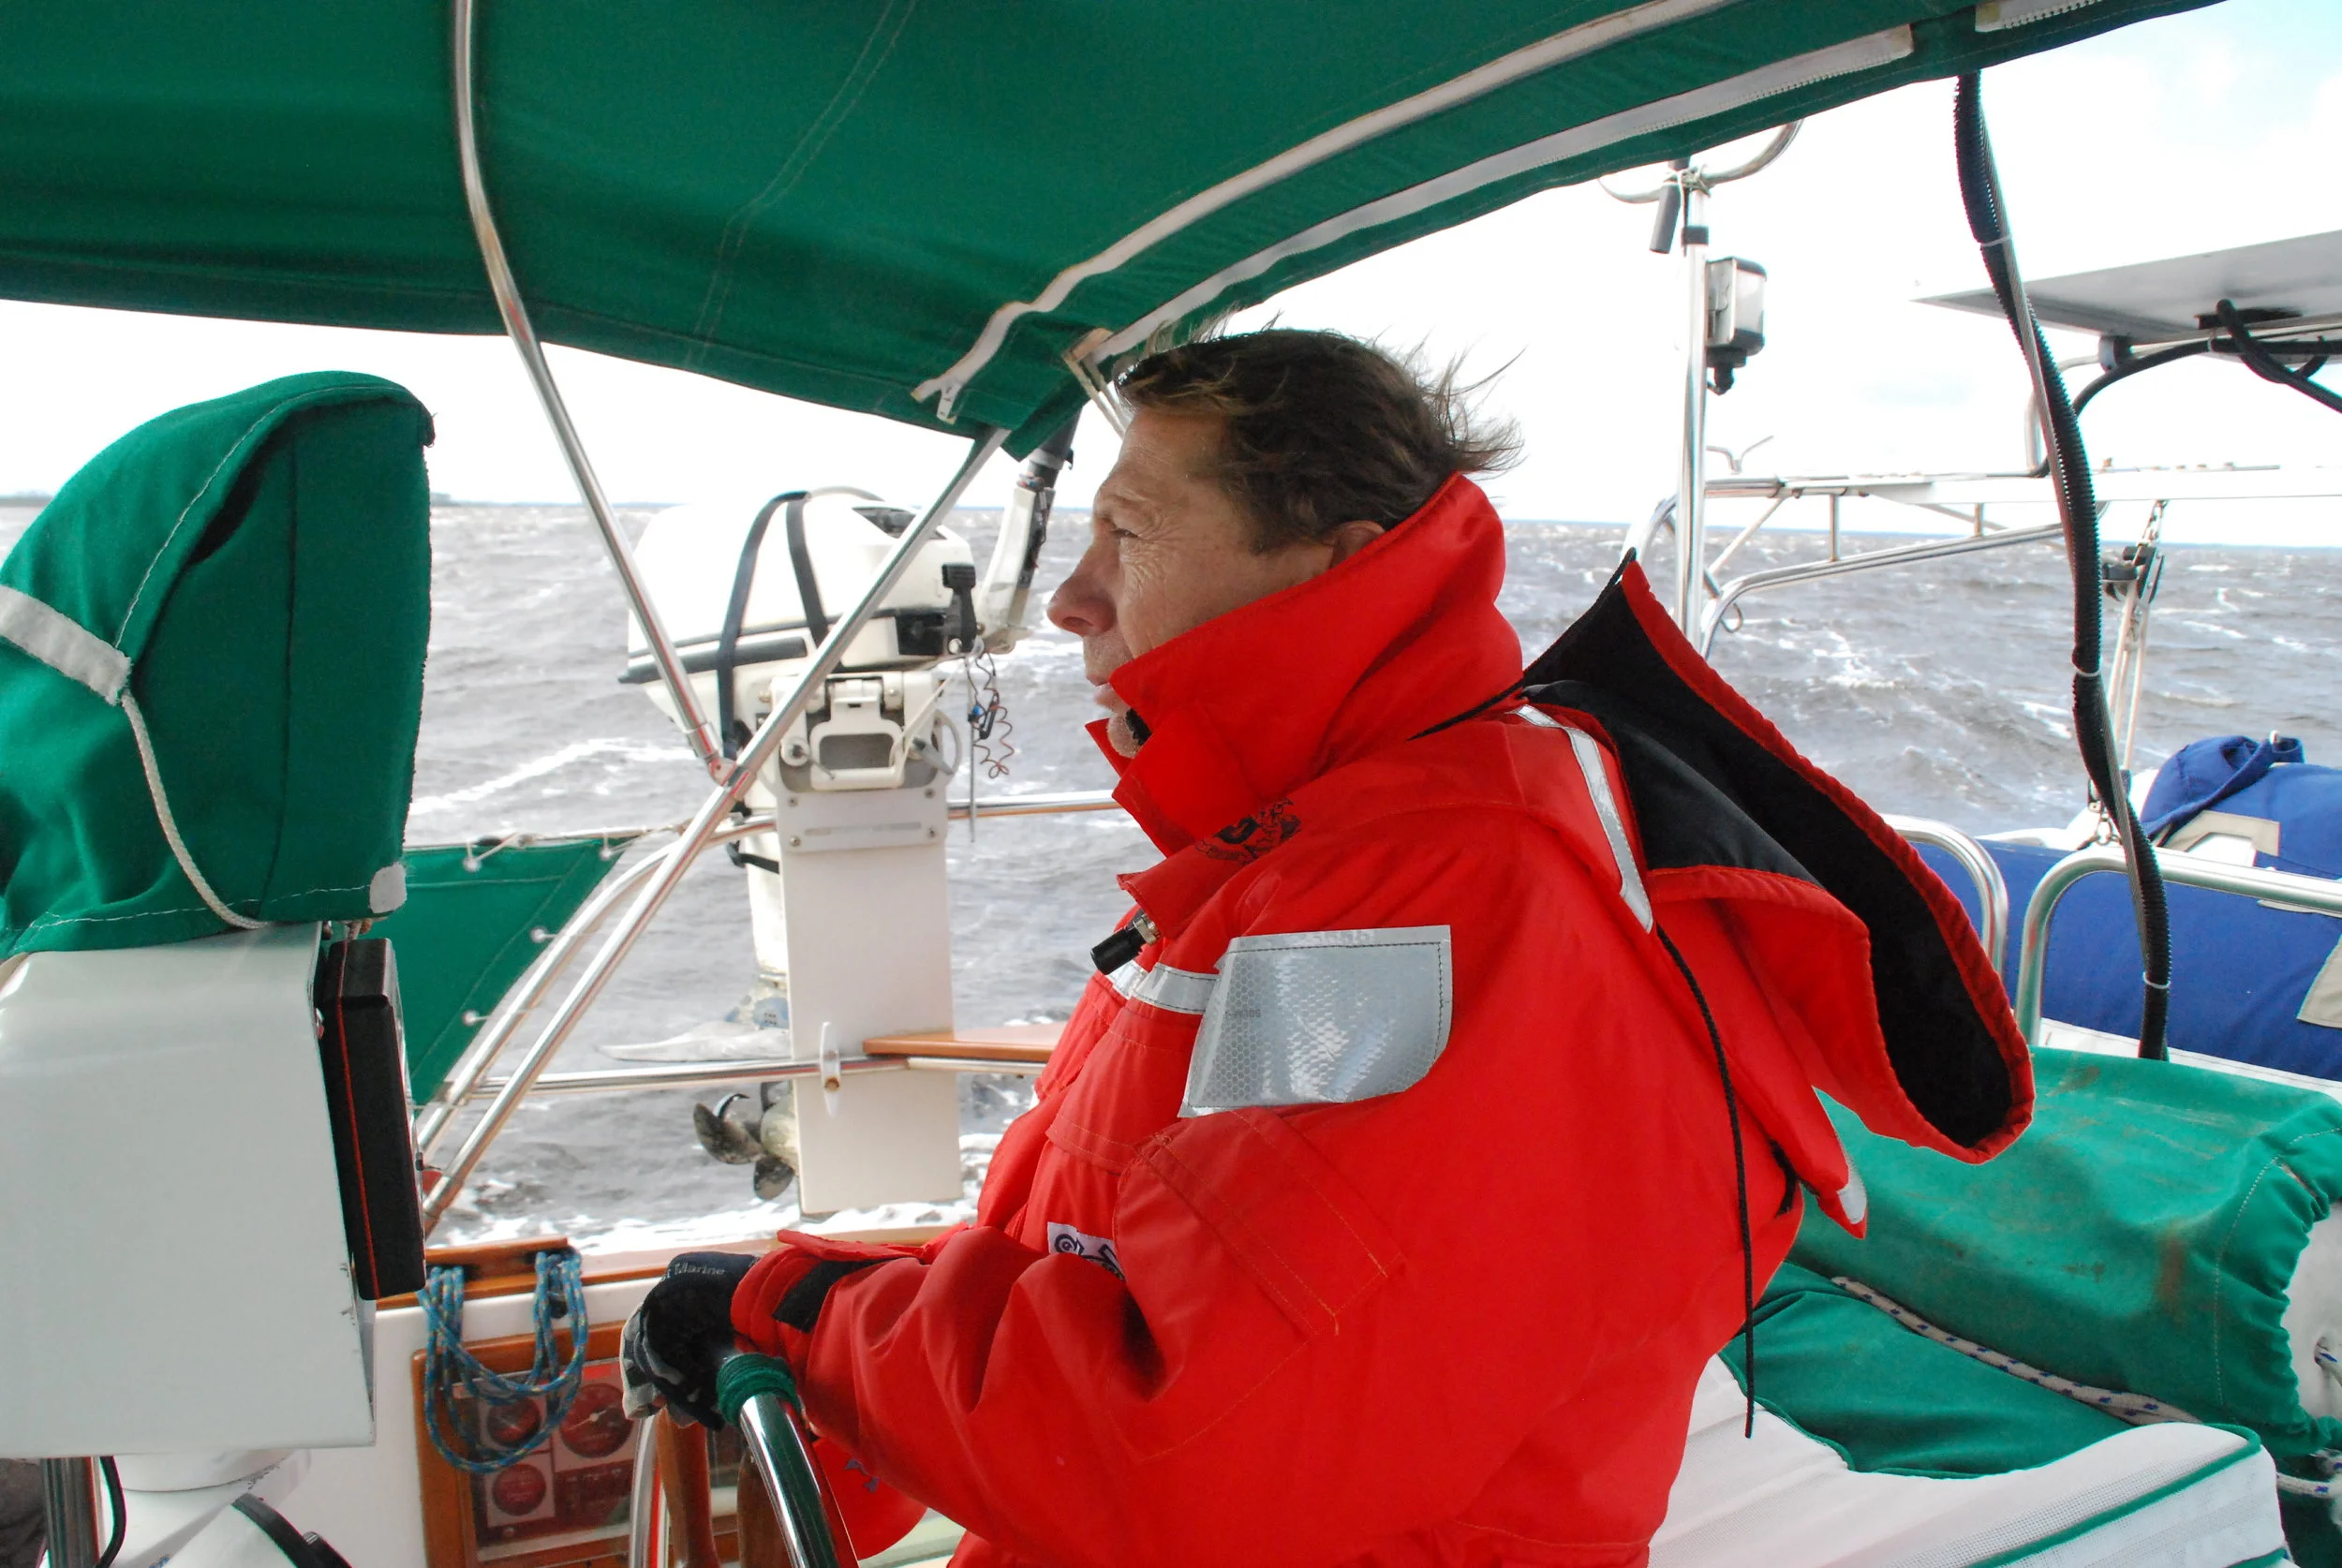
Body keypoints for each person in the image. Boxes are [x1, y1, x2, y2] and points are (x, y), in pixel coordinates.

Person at [621, 330, 2028, 1567]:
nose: (1070, 598)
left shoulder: (1427, 899)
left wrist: (802, 1311)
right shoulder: (1321, 857)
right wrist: (837, 1327)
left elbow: (1183, 1429)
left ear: (1334, 564)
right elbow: (1151, 1259)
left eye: (1135, 534)